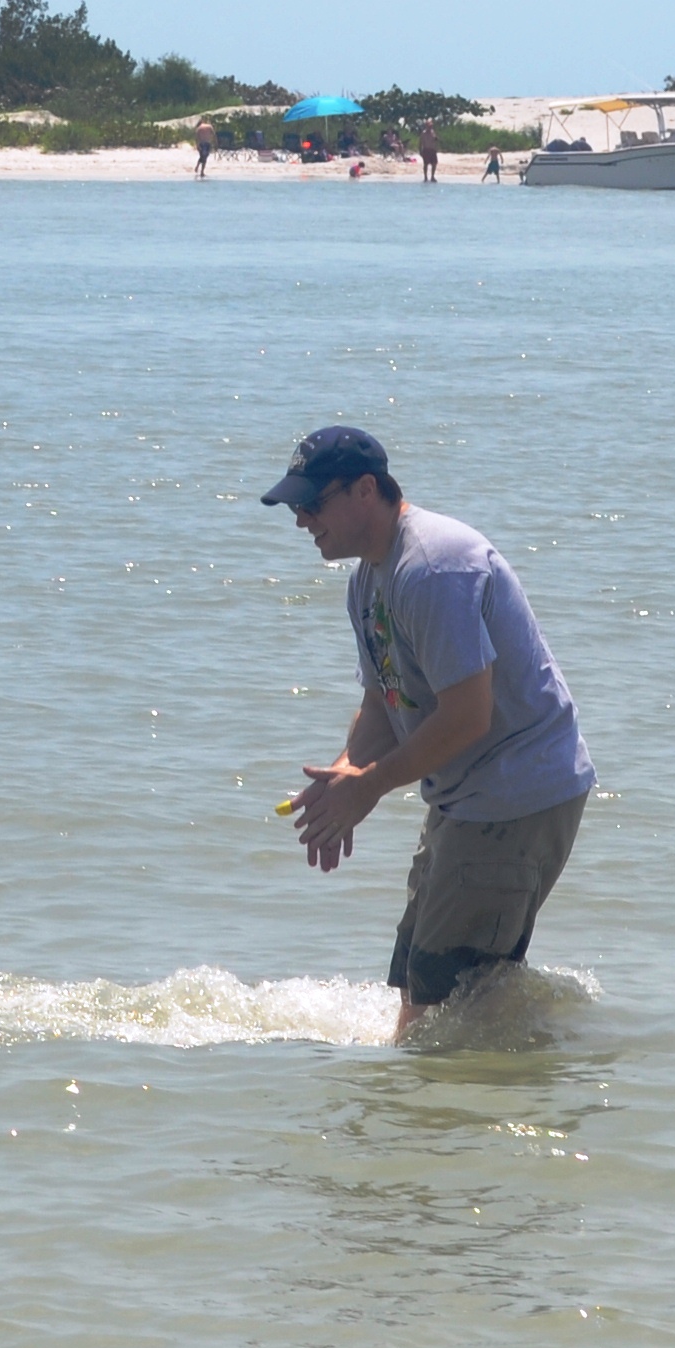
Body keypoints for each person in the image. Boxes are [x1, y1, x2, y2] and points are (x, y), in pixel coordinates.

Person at [263, 425, 596, 1034]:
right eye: (295, 507)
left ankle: (463, 1116)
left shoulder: (434, 569)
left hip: (514, 798)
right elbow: (384, 698)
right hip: (468, 799)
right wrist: (348, 771)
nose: (301, 520)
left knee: (439, 1014)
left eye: (312, 504)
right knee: (424, 989)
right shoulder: (369, 578)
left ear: (366, 490)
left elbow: (467, 715)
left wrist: (370, 788)